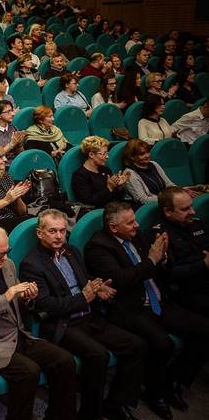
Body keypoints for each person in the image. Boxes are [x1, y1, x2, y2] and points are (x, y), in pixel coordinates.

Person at [85, 202, 209, 419]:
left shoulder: (137, 236)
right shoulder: (98, 247)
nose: (137, 225)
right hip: (131, 308)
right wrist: (153, 259)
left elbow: (159, 268)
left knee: (204, 329)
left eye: (135, 220)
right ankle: (155, 393)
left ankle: (173, 379)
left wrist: (164, 257)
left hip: (158, 300)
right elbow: (122, 280)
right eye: (131, 222)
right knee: (163, 343)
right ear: (114, 228)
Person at [19, 210, 145, 420]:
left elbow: (83, 279)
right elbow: (47, 305)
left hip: (90, 317)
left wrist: (97, 288)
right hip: (63, 324)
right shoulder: (32, 264)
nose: (59, 236)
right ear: (39, 233)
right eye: (52, 231)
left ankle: (115, 403)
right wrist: (84, 297)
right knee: (98, 355)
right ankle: (90, 414)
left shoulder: (72, 251)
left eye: (62, 231)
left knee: (136, 346)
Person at [0, 224, 77, 420]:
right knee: (29, 372)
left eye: (7, 252)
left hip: (17, 335)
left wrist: (27, 298)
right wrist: (6, 297)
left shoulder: (7, 265)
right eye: (0, 255)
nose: (6, 259)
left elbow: (18, 303)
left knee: (64, 360)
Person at [153, 187, 209, 317]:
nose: (193, 212)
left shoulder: (198, 224)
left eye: (191, 206)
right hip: (188, 290)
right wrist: (203, 264)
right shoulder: (160, 235)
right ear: (167, 211)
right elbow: (168, 274)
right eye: (185, 209)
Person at [71, 135, 128, 208]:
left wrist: (119, 187)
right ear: (91, 154)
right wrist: (109, 188)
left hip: (114, 209)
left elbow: (117, 199)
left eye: (107, 153)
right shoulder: (79, 175)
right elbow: (87, 202)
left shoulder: (106, 170)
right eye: (104, 153)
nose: (107, 157)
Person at [121, 139, 178, 205]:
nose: (147, 156)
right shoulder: (129, 173)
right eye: (142, 154)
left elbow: (169, 184)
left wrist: (181, 192)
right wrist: (170, 198)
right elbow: (143, 200)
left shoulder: (154, 164)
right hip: (149, 208)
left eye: (148, 152)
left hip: (166, 202)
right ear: (132, 157)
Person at [0, 100, 27, 166]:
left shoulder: (13, 128)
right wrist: (11, 145)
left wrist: (19, 143)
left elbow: (21, 154)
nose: (13, 114)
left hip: (17, 164)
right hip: (0, 166)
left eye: (12, 110)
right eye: (8, 111)